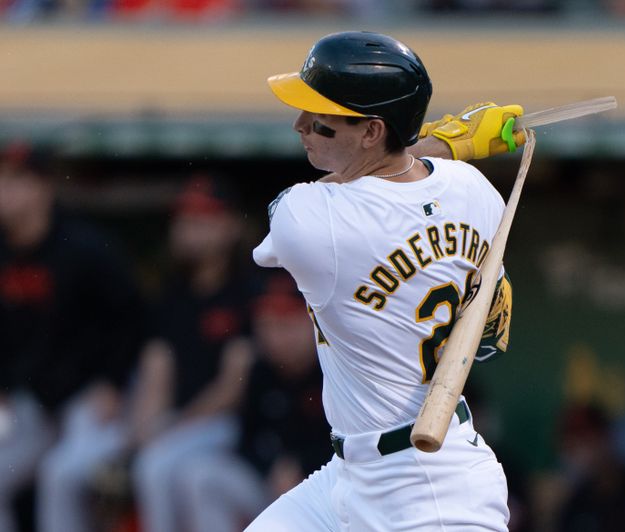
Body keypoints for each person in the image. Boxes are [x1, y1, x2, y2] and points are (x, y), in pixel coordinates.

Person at [247, 31, 526, 531]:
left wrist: (445, 140)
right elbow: (487, 338)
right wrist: (439, 151)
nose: (300, 125)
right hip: (349, 477)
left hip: (429, 493)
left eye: (320, 118)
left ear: (373, 131)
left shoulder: (310, 220)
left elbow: (331, 203)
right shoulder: (476, 189)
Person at [0, 141, 144, 532]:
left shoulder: (84, 248)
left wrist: (113, 382)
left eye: (16, 181)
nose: (4, 191)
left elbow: (132, 318)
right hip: (35, 401)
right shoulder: (5, 252)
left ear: (43, 188)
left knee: (60, 477)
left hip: (94, 397)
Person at [127, 175, 258, 532]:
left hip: (230, 422)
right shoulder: (173, 293)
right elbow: (157, 365)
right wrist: (144, 428)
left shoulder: (247, 289)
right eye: (185, 220)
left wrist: (171, 427)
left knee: (162, 468)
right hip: (181, 423)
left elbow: (233, 388)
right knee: (148, 461)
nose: (191, 230)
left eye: (203, 220)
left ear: (230, 226)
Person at [179, 270, 331, 532]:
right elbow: (246, 441)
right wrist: (271, 464)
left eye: (285, 324)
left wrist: (304, 466)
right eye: (267, 324)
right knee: (201, 476)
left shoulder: (332, 370)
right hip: (270, 484)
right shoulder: (261, 371)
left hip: (326, 491)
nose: (275, 336)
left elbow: (349, 444)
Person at [555, 403, 625, 532]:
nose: (579, 449)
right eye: (572, 442)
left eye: (585, 438)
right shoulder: (575, 503)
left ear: (606, 437)